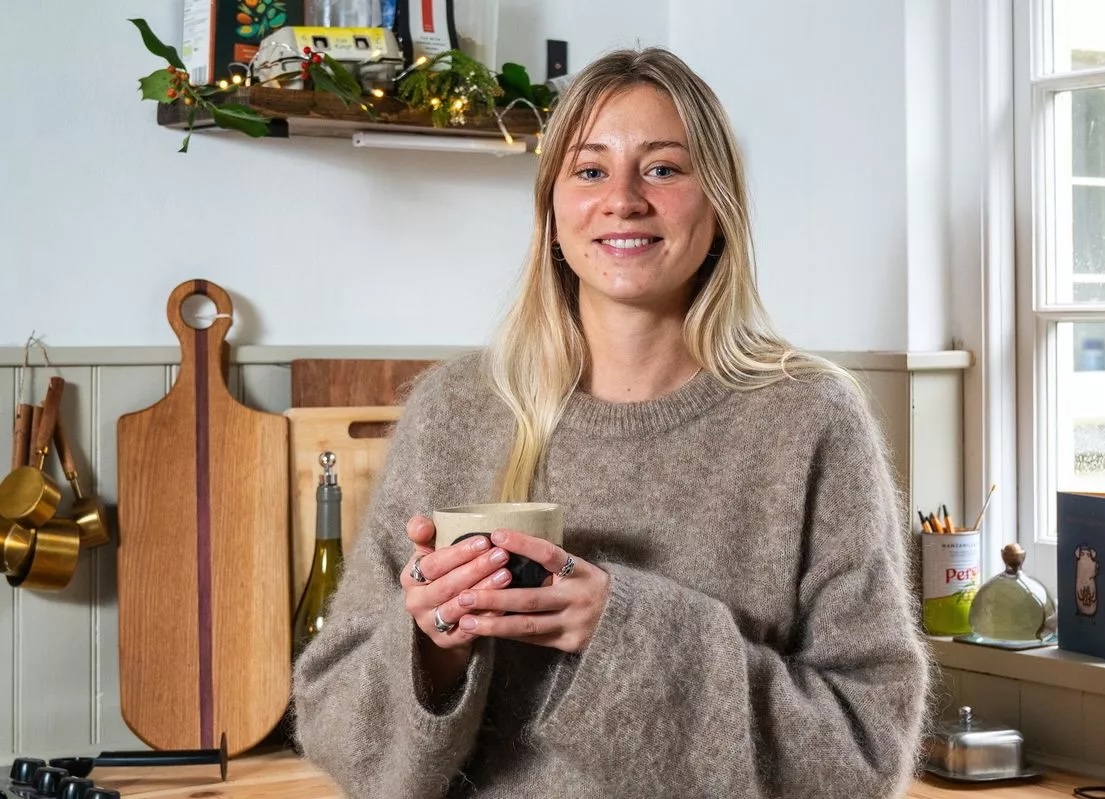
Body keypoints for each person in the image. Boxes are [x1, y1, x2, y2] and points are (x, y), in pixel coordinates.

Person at [292, 45, 931, 798]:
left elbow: (865, 753)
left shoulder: (812, 420)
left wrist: (622, 630)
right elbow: (335, 724)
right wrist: (432, 648)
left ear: (719, 204)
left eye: (662, 168)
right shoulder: (453, 410)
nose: (623, 199)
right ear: (552, 215)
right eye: (590, 170)